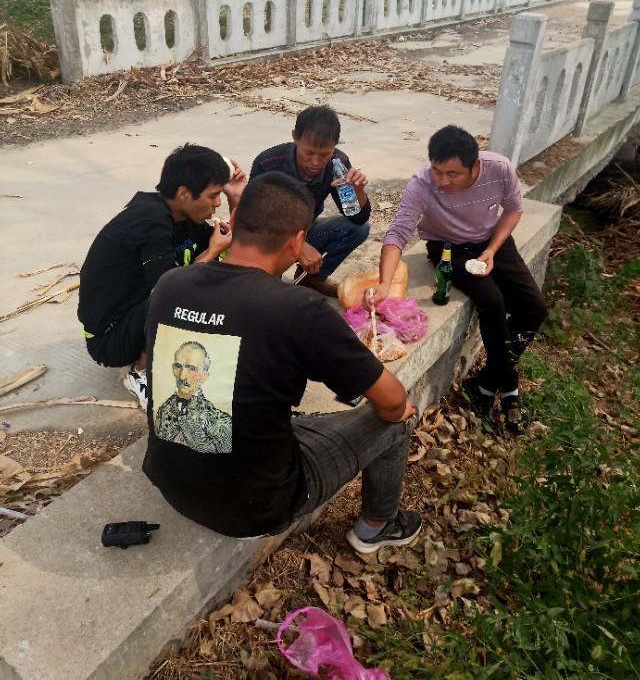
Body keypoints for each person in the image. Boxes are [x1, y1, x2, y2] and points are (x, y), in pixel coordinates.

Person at [142, 172, 421, 551]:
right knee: (400, 417)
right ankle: (377, 527)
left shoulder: (170, 284)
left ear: (234, 223)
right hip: (256, 508)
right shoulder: (298, 309)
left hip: (170, 487)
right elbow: (390, 402)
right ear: (297, 242)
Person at [366, 125, 547, 434]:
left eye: (452, 174)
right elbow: (397, 234)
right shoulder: (421, 184)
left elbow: (514, 210)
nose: (442, 181)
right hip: (448, 248)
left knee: (534, 308)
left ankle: (489, 381)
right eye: (437, 171)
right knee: (491, 301)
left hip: (491, 240)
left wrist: (491, 250)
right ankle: (508, 386)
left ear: (475, 166)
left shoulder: (499, 169)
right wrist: (385, 283)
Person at [78, 144, 246, 408]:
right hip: (110, 338)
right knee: (184, 292)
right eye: (214, 195)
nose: (218, 203)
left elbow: (236, 250)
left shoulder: (185, 216)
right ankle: (140, 372)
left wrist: (236, 198)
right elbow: (170, 288)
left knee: (218, 279)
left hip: (135, 314)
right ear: (183, 193)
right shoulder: (149, 220)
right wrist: (213, 250)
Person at [249, 105, 370, 297]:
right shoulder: (268, 163)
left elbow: (357, 218)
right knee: (270, 295)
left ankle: (311, 278)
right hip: (269, 236)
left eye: (324, 154)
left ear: (335, 144)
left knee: (358, 230)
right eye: (309, 153)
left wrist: (358, 191)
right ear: (295, 137)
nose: (315, 162)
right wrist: (296, 246)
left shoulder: (337, 163)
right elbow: (253, 220)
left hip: (306, 230)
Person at [155, 341, 233, 454]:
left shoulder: (222, 423)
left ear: (204, 376)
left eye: (191, 368)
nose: (182, 376)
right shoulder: (163, 410)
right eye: (178, 366)